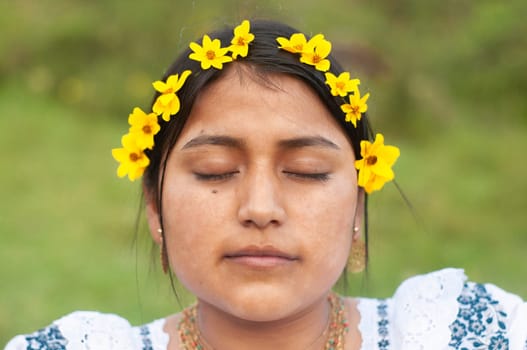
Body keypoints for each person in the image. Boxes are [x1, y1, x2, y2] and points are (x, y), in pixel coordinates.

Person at [6, 19, 526, 350]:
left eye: (306, 172)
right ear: (154, 208)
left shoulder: (464, 334)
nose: (260, 208)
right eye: (214, 170)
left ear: (358, 206)